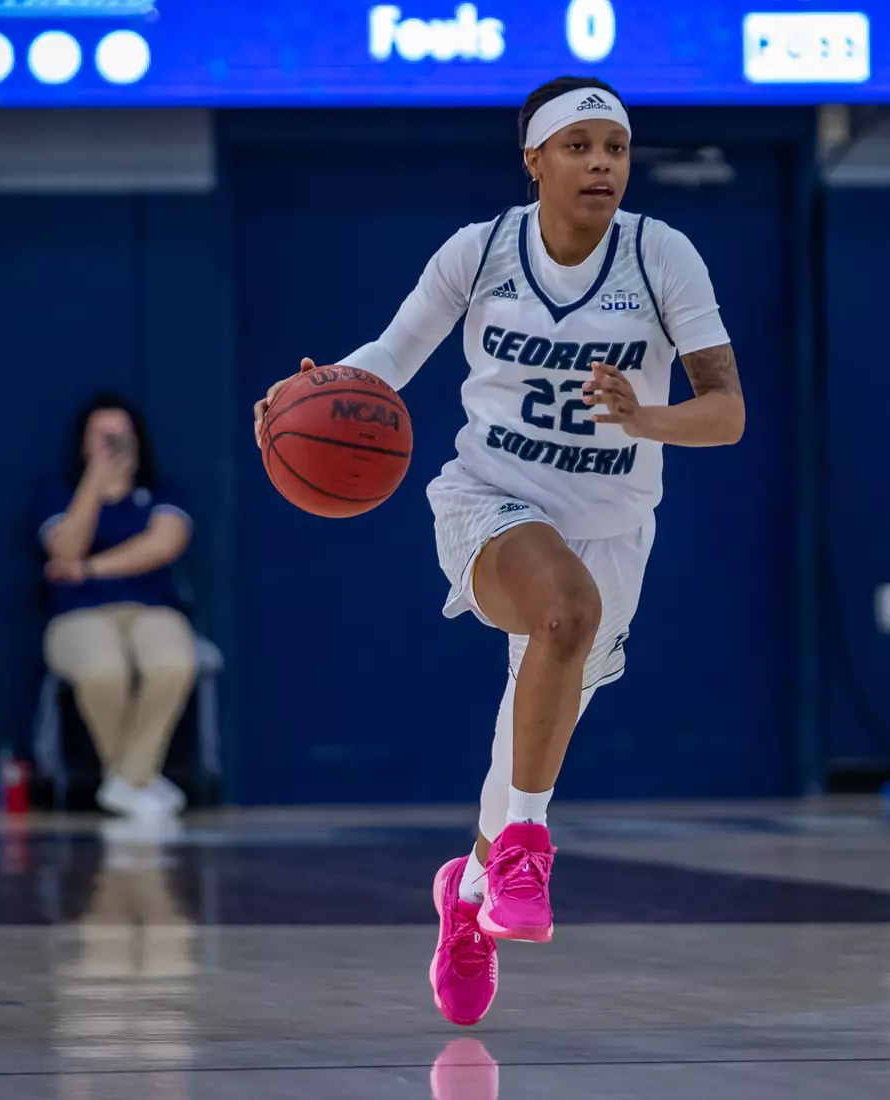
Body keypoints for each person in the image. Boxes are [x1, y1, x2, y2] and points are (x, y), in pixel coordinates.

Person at [253, 76, 743, 1027]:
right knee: (562, 611)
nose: (602, 162)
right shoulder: (479, 253)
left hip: (613, 526)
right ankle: (524, 848)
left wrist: (649, 416)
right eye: (579, 145)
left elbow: (725, 413)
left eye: (616, 147)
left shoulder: (662, 256)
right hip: (491, 500)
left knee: (533, 705)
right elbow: (388, 363)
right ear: (536, 161)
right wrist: (305, 391)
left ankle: (468, 894)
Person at [38, 394, 197, 822]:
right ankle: (136, 783)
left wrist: (86, 568)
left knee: (172, 663)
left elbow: (161, 545)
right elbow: (63, 545)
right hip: (79, 616)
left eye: (121, 436)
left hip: (149, 608)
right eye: (103, 436)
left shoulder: (162, 493)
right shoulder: (61, 495)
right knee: (102, 671)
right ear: (84, 443)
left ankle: (126, 780)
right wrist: (94, 483)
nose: (114, 444)